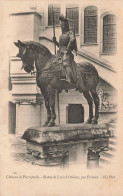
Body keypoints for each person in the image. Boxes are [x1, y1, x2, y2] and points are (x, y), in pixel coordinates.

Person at [53, 14, 77, 84]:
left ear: (66, 26)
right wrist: (55, 42)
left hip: (67, 53)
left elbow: (72, 39)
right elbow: (60, 46)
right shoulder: (61, 35)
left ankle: (70, 79)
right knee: (53, 64)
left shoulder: (70, 33)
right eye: (61, 26)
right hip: (60, 52)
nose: (62, 27)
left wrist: (67, 50)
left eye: (63, 26)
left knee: (66, 63)